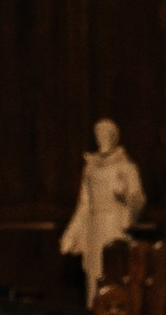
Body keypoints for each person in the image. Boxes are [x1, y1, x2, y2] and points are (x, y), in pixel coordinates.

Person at [60, 115, 149, 305]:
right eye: (98, 134)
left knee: (112, 269)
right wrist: (72, 232)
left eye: (106, 134)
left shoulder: (126, 168)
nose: (102, 138)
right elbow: (84, 205)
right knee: (93, 274)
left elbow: (138, 199)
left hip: (114, 224)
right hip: (94, 225)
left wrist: (124, 195)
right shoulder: (90, 169)